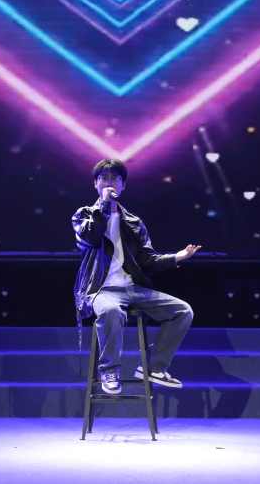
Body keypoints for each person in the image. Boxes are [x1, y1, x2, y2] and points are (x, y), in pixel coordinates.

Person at [72, 158, 200, 394]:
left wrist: (177, 257)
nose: (109, 183)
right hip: (101, 289)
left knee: (183, 311)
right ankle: (109, 370)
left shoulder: (134, 222)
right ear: (95, 184)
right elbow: (92, 237)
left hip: (133, 288)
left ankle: (154, 366)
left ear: (123, 185)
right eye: (104, 178)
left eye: (115, 179)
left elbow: (146, 260)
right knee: (111, 311)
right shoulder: (84, 216)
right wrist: (104, 205)